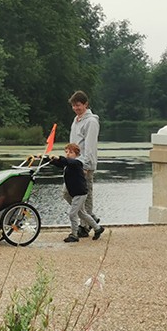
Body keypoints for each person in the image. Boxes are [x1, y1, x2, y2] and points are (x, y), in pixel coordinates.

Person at [47, 143, 105, 243]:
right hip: (75, 193)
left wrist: (59, 157)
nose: (68, 154)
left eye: (70, 152)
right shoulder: (69, 163)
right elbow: (58, 163)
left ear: (76, 153)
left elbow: (68, 161)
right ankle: (98, 228)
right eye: (66, 152)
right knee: (82, 214)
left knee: (72, 214)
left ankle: (74, 235)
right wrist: (45, 158)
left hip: (80, 193)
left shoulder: (78, 163)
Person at [67, 90, 99, 236]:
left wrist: (85, 166)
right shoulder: (76, 120)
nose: (76, 108)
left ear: (86, 104)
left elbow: (90, 146)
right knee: (67, 192)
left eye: (78, 105)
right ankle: (90, 219)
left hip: (84, 165)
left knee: (86, 195)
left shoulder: (91, 122)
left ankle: (85, 226)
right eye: (73, 105)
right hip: (73, 163)